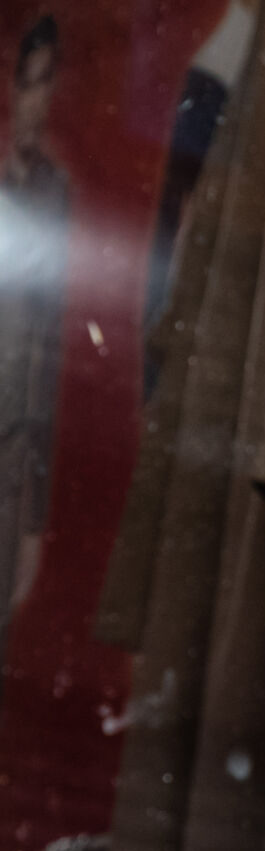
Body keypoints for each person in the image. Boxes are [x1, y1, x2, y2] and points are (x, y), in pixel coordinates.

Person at [0, 12, 65, 631]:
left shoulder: (55, 196)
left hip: (13, 463)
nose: (37, 101)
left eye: (49, 84)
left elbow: (47, 363)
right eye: (30, 82)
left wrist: (31, 525)